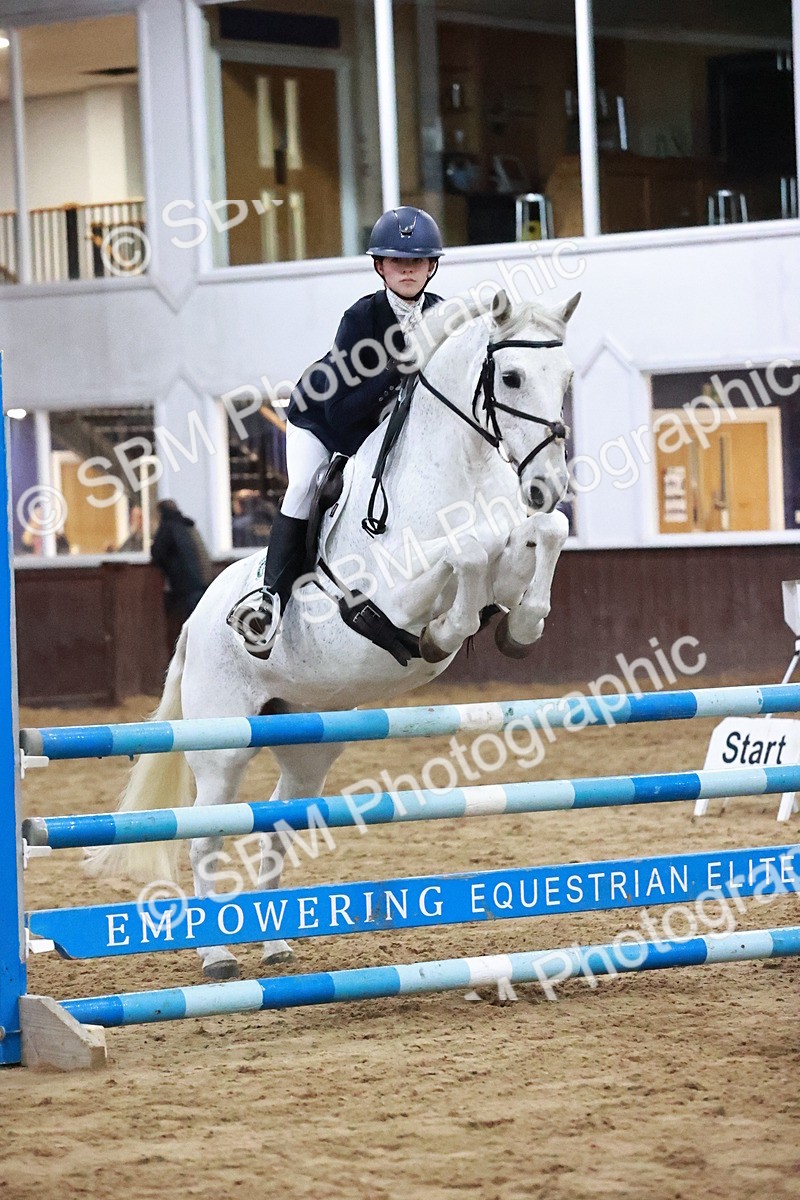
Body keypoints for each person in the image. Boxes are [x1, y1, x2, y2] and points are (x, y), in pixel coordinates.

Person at [227, 205, 445, 658]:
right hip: (322, 420)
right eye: (398, 261)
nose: (408, 269)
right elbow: (343, 413)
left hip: (381, 429)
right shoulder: (360, 319)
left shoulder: (442, 315)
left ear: (431, 267)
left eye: (418, 260)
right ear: (380, 266)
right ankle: (269, 601)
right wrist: (396, 368)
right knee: (304, 486)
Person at [151, 499, 213, 645]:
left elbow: (157, 553)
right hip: (202, 583)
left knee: (187, 629)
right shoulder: (189, 525)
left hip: (184, 586)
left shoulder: (168, 527)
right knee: (201, 625)